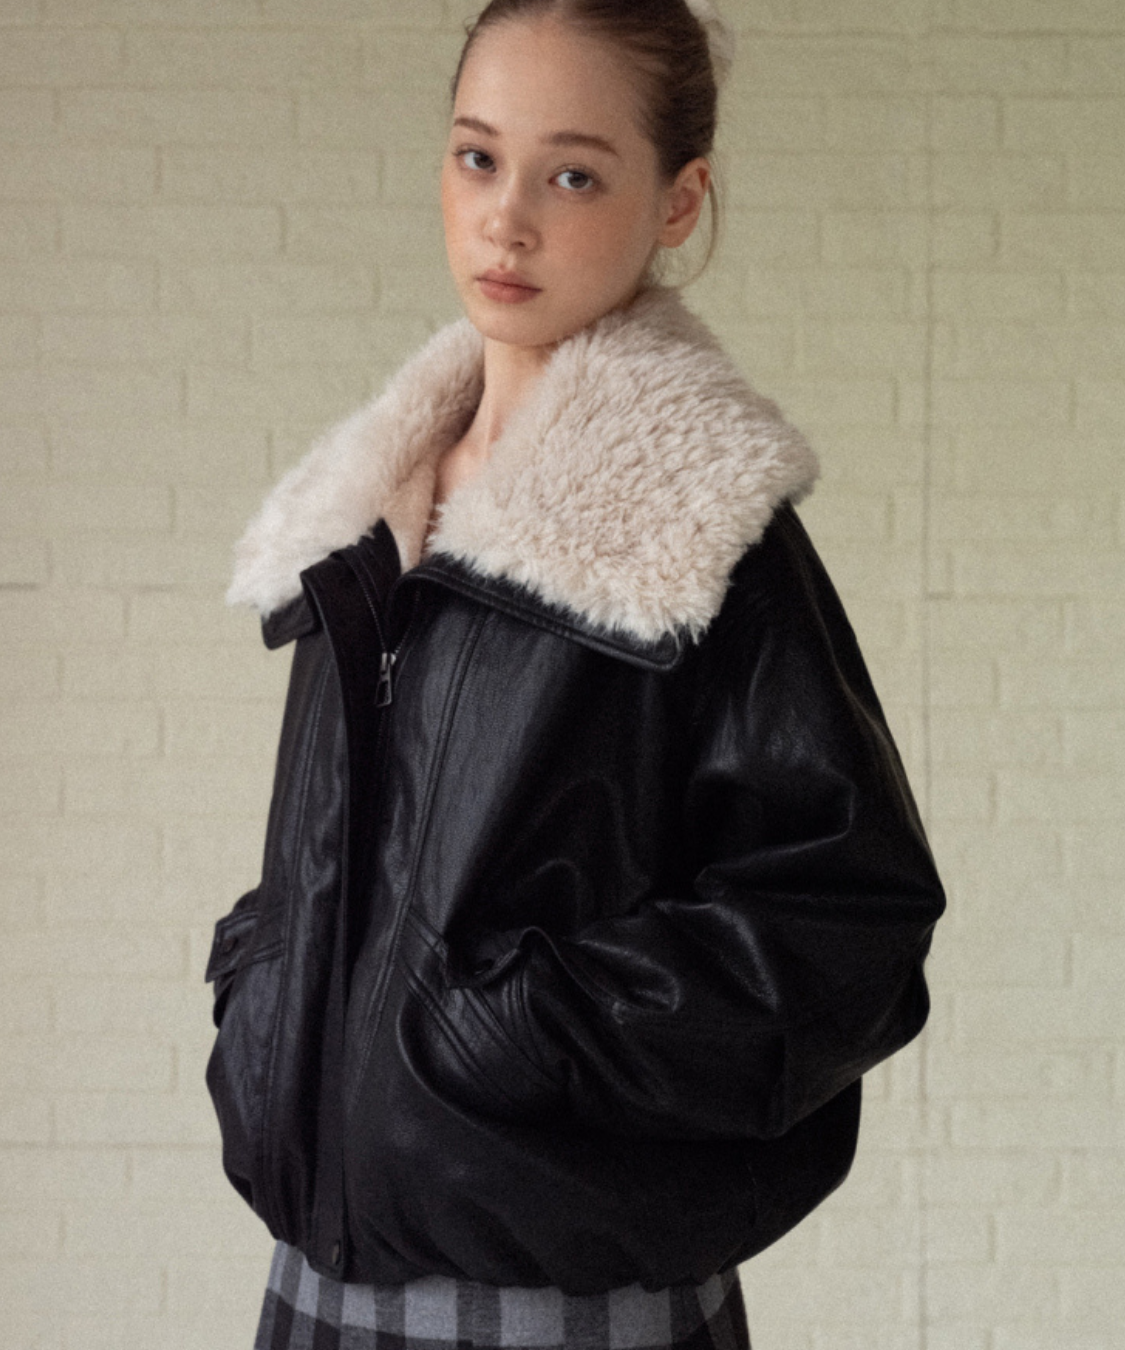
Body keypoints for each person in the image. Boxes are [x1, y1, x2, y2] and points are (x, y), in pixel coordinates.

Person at [204, 1, 946, 1347]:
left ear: (679, 200)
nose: (507, 219)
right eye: (479, 157)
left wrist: (511, 1029)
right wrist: (266, 974)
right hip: (309, 1301)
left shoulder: (699, 525)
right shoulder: (369, 516)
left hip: (572, 1318)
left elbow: (849, 925)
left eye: (575, 175)